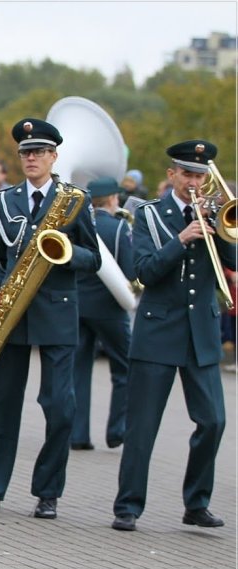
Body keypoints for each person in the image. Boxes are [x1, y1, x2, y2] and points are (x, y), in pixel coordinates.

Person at [0, 118, 100, 520]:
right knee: (0, 405)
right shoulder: (1, 201)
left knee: (61, 407)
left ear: (54, 156)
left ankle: (48, 493)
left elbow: (92, 258)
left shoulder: (75, 200)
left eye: (39, 152)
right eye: (26, 152)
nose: (31, 158)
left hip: (58, 311)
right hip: (9, 312)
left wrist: (63, 250)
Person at [111, 140, 236, 532]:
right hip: (158, 331)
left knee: (213, 421)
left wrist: (220, 229)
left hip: (201, 333)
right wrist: (181, 239)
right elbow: (144, 271)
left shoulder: (214, 212)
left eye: (200, 175)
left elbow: (230, 264)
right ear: (172, 175)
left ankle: (196, 503)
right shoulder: (149, 215)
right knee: (143, 426)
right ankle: (128, 506)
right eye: (188, 174)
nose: (195, 181)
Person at [71, 177, 134, 451]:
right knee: (126, 367)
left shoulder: (75, 225)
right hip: (109, 308)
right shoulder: (119, 227)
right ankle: (117, 429)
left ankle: (78, 434)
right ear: (112, 199)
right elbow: (130, 272)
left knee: (78, 370)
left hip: (77, 305)